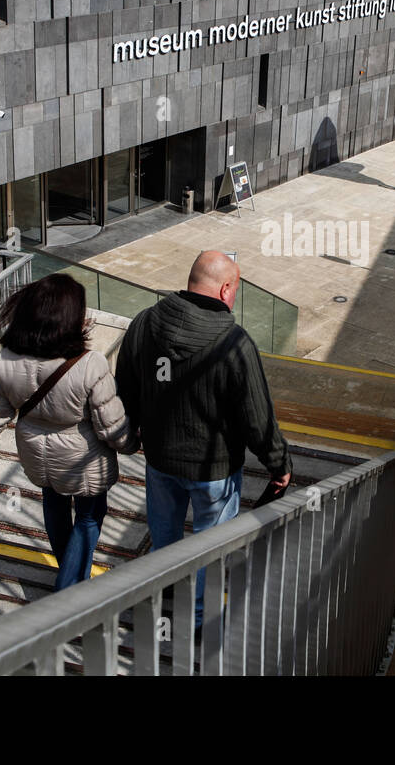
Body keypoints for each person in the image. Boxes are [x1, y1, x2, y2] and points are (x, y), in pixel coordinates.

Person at [116, 250, 292, 627]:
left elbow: (126, 387)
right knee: (209, 547)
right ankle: (196, 619)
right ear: (226, 288)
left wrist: (137, 430)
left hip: (160, 459)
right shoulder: (234, 343)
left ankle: (161, 591)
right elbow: (256, 419)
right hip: (214, 470)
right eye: (236, 290)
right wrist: (279, 465)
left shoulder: (145, 323)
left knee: (163, 535)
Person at [0, 273, 133, 592]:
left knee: (54, 504)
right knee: (89, 516)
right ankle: (69, 587)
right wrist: (130, 443)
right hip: (83, 459)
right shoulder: (90, 364)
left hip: (36, 454)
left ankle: (67, 567)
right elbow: (109, 424)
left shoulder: (7, 360)